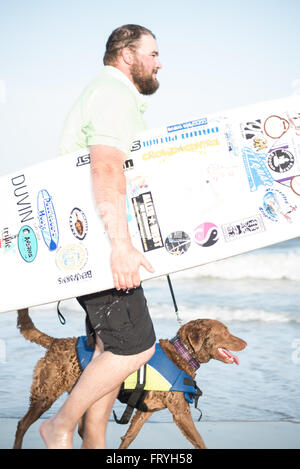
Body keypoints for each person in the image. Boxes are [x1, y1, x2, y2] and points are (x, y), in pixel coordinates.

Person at [40, 24, 162, 449]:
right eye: (152, 53)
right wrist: (121, 245)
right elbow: (106, 168)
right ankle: (60, 425)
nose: (158, 62)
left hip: (85, 244)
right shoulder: (114, 94)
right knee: (135, 349)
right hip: (98, 243)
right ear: (127, 55)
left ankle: (95, 443)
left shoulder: (102, 92)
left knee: (107, 350)